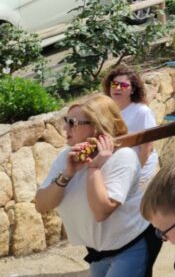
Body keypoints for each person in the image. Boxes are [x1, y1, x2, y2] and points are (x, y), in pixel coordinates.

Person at [35, 95, 156, 277]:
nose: (65, 127)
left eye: (72, 122)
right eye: (66, 120)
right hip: (97, 251)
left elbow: (101, 212)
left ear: (97, 126)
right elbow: (41, 205)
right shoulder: (66, 156)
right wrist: (67, 174)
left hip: (131, 246)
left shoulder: (124, 157)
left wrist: (94, 167)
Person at [102, 66, 158, 185]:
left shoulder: (142, 112)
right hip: (119, 169)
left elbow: (147, 149)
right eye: (114, 84)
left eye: (124, 85)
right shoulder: (108, 110)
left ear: (133, 90)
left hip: (138, 172)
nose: (117, 88)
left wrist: (134, 175)